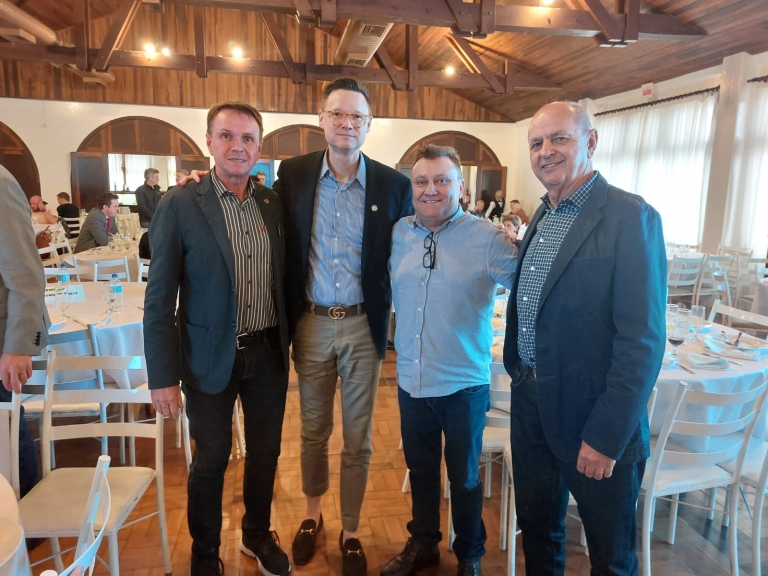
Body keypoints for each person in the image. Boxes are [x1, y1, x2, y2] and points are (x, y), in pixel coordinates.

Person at [503, 101, 666, 576]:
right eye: (536, 143)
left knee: (610, 556)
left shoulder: (630, 217)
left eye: (560, 138)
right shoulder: (543, 213)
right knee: (538, 533)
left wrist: (607, 436)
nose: (546, 151)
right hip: (531, 403)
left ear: (591, 141)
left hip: (593, 415)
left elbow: (642, 341)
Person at [144, 101, 291, 576]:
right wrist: (162, 377)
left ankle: (256, 534)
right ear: (209, 142)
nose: (237, 146)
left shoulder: (271, 203)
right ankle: (205, 550)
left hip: (267, 353)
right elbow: (159, 299)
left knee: (265, 454)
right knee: (211, 459)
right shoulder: (180, 203)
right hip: (207, 357)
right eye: (226, 136)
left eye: (248, 138)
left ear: (259, 148)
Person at [274, 77, 412, 576]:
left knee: (359, 437)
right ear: (321, 119)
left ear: (369, 125)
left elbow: (418, 241)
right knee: (313, 432)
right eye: (337, 113)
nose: (346, 123)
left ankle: (350, 529)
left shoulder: (394, 185)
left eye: (356, 116)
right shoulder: (292, 174)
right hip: (311, 324)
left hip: (361, 325)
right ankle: (312, 516)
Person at [385, 145, 517, 576]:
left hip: (463, 384)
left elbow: (531, 286)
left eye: (442, 180)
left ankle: (469, 556)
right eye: (422, 181)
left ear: (460, 187)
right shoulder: (399, 232)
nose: (431, 189)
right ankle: (423, 543)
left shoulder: (487, 239)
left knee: (463, 477)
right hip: (411, 380)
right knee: (421, 470)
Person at [0, 165, 47, 498]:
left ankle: (25, 516)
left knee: (6, 429)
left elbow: (25, 272)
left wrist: (18, 346)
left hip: (3, 337)